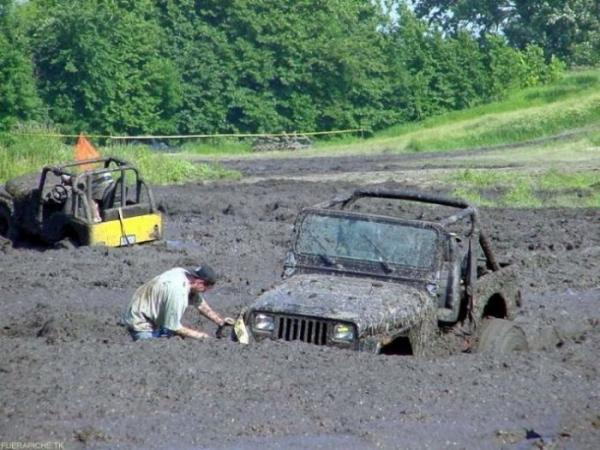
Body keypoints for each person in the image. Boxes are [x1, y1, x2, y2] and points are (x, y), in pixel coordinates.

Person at [122, 265, 234, 341]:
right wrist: (203, 337)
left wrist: (220, 321)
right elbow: (174, 326)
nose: (204, 292)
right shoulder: (178, 292)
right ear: (200, 283)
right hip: (140, 322)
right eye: (205, 289)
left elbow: (198, 301)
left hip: (149, 308)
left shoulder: (183, 274)